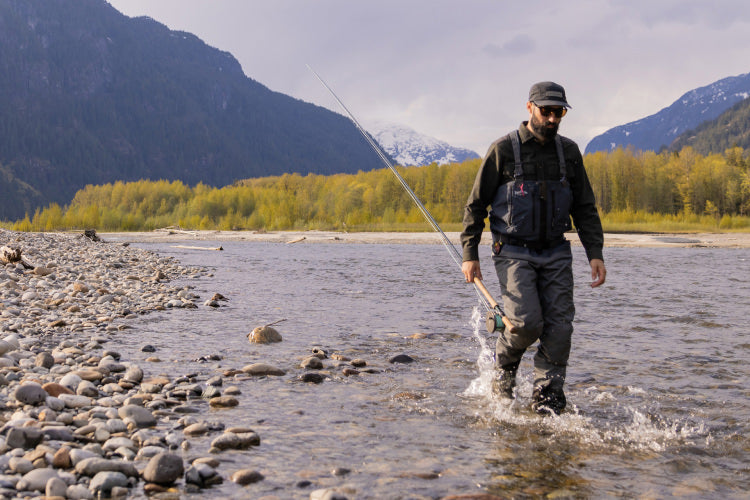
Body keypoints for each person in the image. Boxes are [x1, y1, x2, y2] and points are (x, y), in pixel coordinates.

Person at [460, 81, 606, 415]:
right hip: (512, 252)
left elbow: (585, 206)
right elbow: (476, 206)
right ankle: (505, 363)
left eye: (560, 112)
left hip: (556, 252)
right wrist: (470, 255)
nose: (553, 118)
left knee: (559, 329)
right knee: (526, 323)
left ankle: (548, 400)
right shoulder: (503, 150)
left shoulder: (569, 152)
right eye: (547, 111)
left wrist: (594, 253)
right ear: (530, 108)